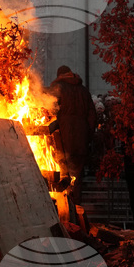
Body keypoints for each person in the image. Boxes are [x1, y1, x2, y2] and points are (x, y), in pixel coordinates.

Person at [49, 65, 96, 203]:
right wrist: (88, 135)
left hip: (63, 137)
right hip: (82, 139)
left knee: (64, 173)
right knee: (78, 174)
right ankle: (75, 206)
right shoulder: (84, 91)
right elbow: (92, 117)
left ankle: (64, 209)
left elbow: (50, 110)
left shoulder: (58, 88)